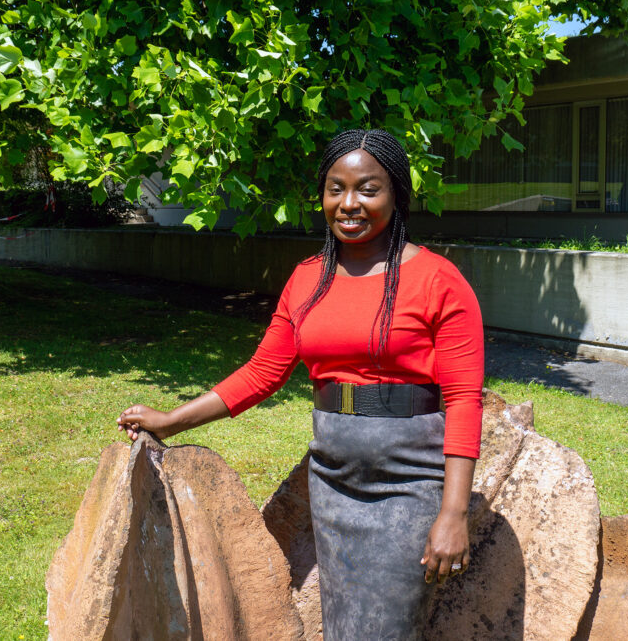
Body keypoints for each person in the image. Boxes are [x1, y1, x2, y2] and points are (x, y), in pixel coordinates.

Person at [117, 128, 484, 640]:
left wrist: (453, 511)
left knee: (386, 631)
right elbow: (262, 373)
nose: (349, 204)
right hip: (331, 475)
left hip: (409, 479)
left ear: (397, 194)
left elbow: (465, 399)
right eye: (336, 189)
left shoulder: (439, 280)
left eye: (368, 189)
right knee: (342, 626)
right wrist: (170, 422)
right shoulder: (308, 278)